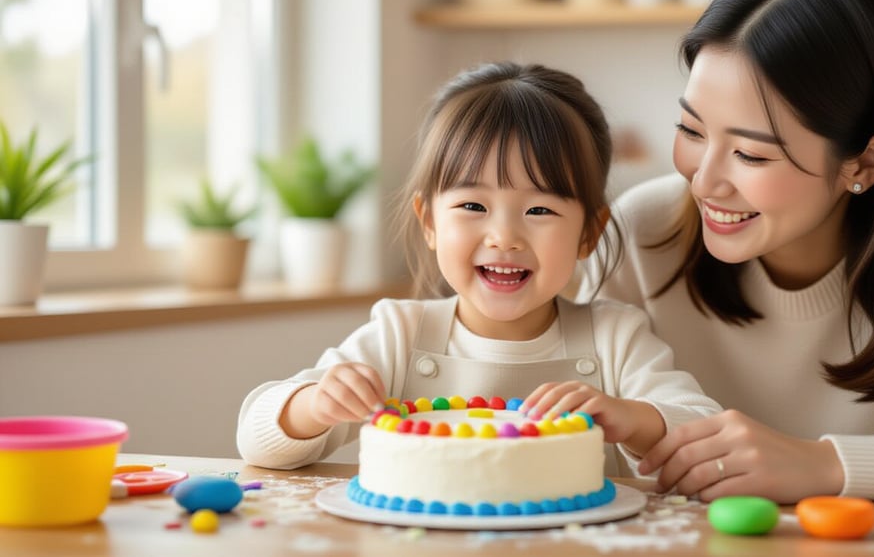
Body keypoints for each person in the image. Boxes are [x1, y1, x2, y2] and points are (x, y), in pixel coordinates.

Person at [577, 0, 874, 515]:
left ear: (863, 164)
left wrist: (823, 465)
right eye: (691, 130)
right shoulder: (644, 235)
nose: (704, 182)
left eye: (751, 155)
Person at [237, 62, 722, 473]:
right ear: (428, 221)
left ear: (589, 233)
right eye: (472, 206)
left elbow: (703, 430)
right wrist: (314, 406)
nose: (504, 237)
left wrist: (632, 419)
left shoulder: (616, 338)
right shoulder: (401, 335)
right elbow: (256, 438)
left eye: (539, 211)